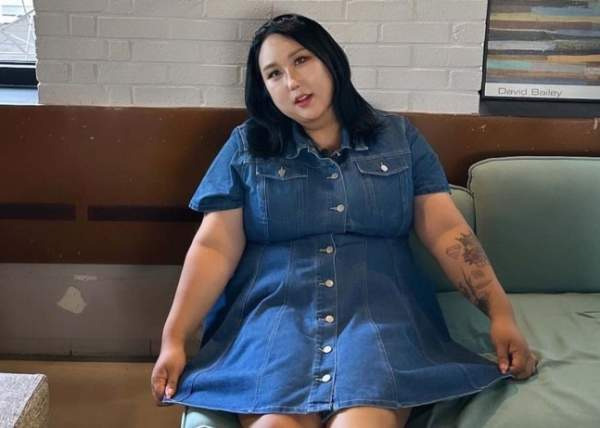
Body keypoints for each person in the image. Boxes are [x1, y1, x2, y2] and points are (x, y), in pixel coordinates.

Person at [151, 14, 538, 428]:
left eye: (301, 60)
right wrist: (174, 339)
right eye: (274, 74)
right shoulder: (246, 146)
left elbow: (447, 232)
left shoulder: (399, 138)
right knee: (275, 424)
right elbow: (214, 247)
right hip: (273, 317)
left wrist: (500, 315)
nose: (292, 82)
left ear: (330, 60)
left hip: (379, 316)